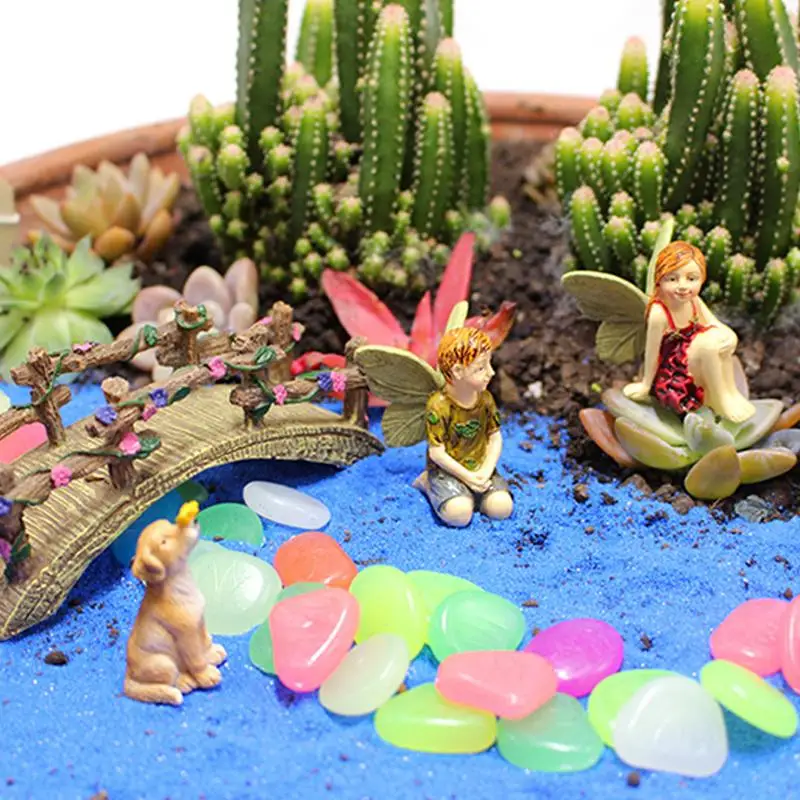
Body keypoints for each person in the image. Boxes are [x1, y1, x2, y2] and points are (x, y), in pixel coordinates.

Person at [623, 240, 755, 423]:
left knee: (720, 341)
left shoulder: (693, 301)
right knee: (708, 346)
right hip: (676, 364)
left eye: (691, 279)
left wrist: (729, 336)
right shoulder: (659, 313)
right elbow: (652, 352)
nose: (683, 286)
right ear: (659, 280)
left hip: (695, 351)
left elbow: (714, 323)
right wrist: (645, 384)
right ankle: (719, 399)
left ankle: (730, 393)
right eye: (672, 279)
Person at [414, 326, 513, 527]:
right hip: (448, 471)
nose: (491, 372)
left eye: (489, 364)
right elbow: (437, 453)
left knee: (502, 508)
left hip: (480, 468)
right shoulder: (439, 405)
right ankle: (428, 482)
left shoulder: (485, 400)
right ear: (458, 371)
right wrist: (468, 478)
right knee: (458, 515)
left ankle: (474, 497)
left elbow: (495, 437)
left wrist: (486, 471)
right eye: (481, 368)